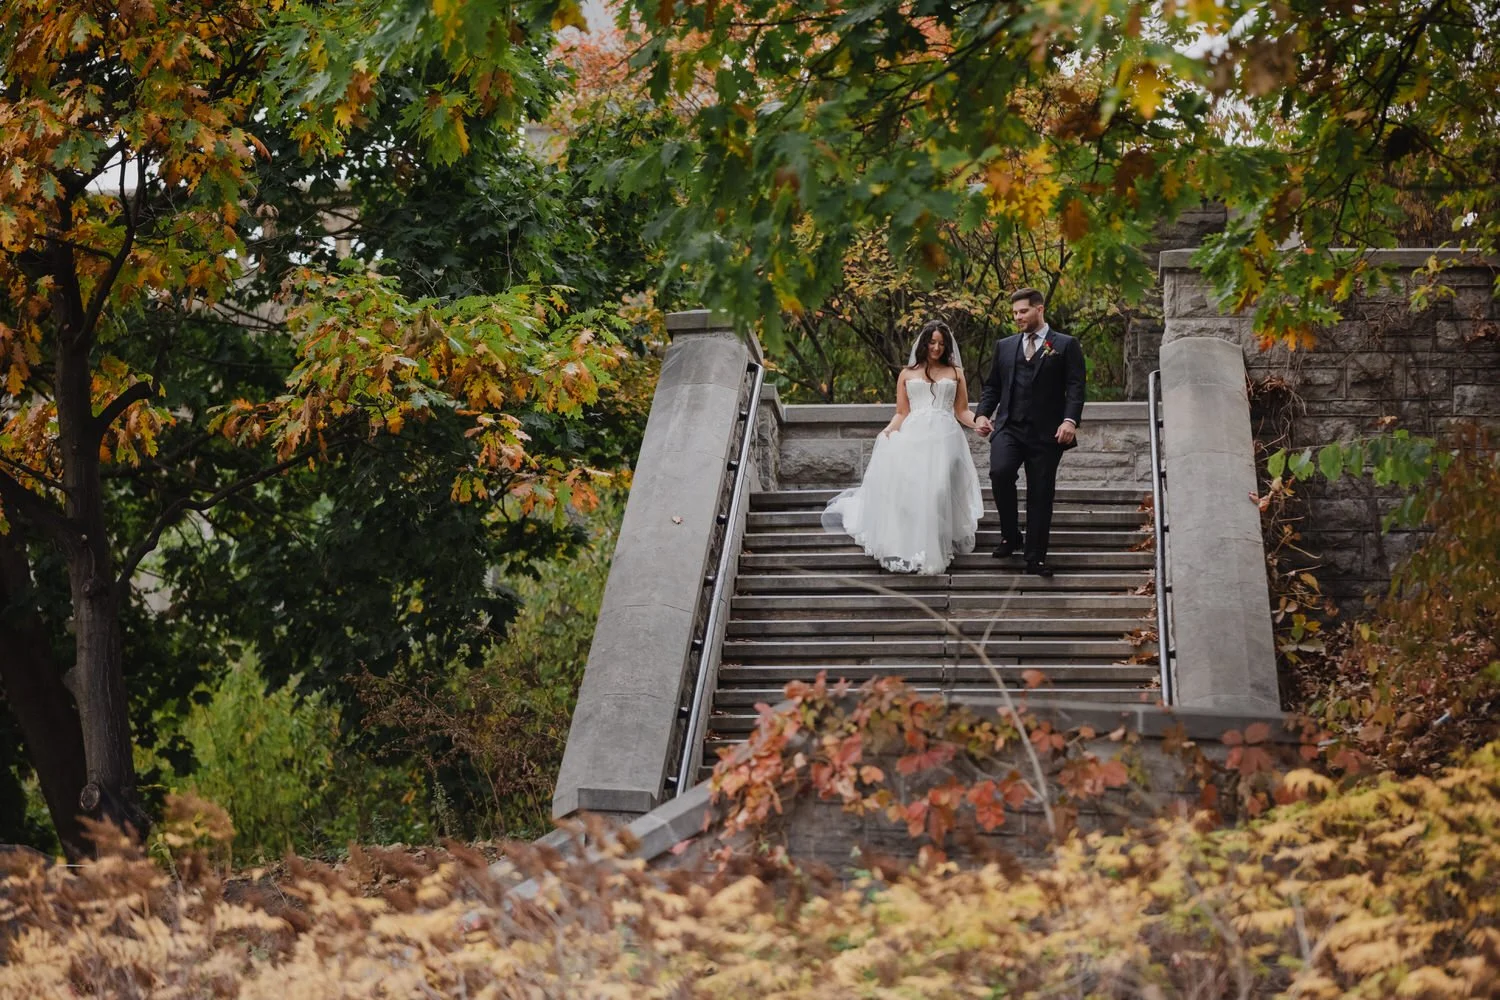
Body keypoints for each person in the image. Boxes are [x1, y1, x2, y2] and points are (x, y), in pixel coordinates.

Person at [822, 320, 985, 575]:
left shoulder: (955, 373)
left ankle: (937, 545)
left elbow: (962, 411)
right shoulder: (907, 374)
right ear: (923, 343)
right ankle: (921, 547)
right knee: (919, 492)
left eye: (941, 343)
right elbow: (901, 413)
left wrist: (979, 423)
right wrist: (888, 431)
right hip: (915, 436)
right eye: (932, 342)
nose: (936, 348)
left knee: (940, 488)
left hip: (946, 437)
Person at [975, 288, 1087, 578]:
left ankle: (1035, 556)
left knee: (1040, 492)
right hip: (1009, 427)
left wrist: (1070, 421)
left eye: (1022, 311)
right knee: (1000, 473)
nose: (1017, 317)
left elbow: (1075, 388)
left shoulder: (1065, 344)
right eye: (1014, 313)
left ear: (1039, 309)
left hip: (1047, 434)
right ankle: (1011, 536)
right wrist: (982, 414)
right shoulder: (1005, 346)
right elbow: (993, 386)